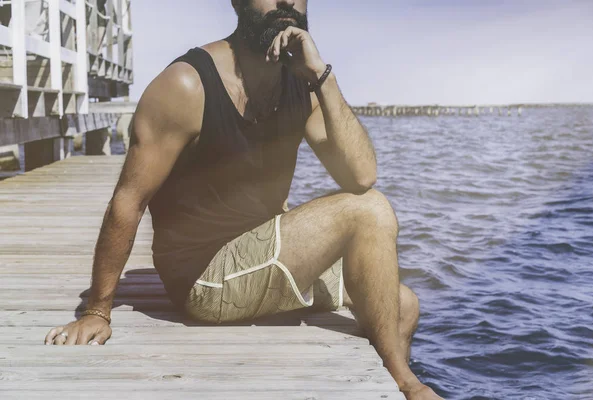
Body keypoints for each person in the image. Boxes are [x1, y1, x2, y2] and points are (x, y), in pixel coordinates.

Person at [44, 1, 443, 399]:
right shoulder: (187, 85)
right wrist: (97, 310)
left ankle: (383, 389)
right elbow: (128, 200)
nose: (286, 2)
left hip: (266, 256)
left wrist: (322, 76)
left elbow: (361, 174)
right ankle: (407, 385)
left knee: (402, 305)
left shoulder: (301, 85)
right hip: (203, 278)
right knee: (368, 209)